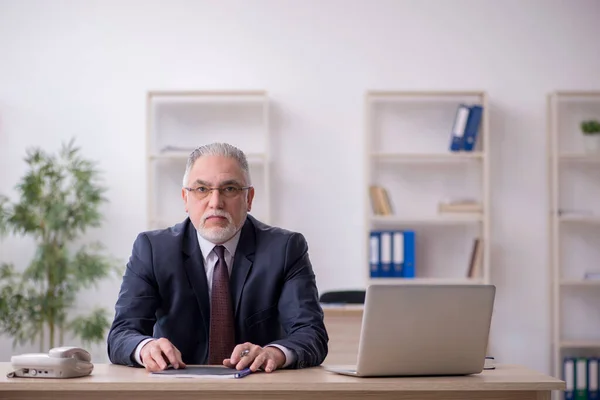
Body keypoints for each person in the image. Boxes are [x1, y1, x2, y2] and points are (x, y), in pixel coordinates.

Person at [107, 142, 328, 373]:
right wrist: (145, 348)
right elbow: (122, 333)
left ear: (249, 198)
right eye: (202, 189)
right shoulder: (152, 249)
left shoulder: (285, 249)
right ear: (185, 198)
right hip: (178, 391)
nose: (215, 203)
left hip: (257, 389)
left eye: (229, 189)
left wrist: (274, 353)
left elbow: (311, 334)